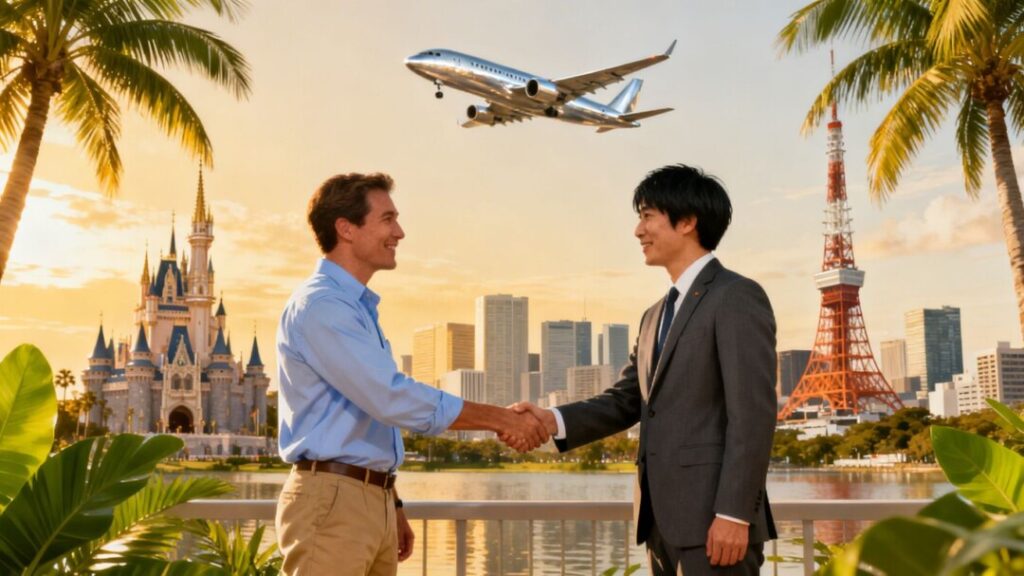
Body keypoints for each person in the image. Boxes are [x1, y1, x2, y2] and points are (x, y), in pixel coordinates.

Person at [275, 172, 549, 576]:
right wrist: (501, 419)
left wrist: (389, 500)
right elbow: (390, 397)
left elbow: (367, 419)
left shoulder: (354, 308)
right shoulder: (322, 306)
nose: (399, 232)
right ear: (346, 229)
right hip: (334, 504)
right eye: (387, 219)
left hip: (366, 500)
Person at [515, 164, 778, 575]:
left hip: (716, 524)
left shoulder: (736, 296)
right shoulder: (654, 315)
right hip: (660, 524)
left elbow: (753, 415)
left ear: (687, 221)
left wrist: (734, 514)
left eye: (647, 216)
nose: (638, 231)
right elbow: (625, 401)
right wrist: (552, 420)